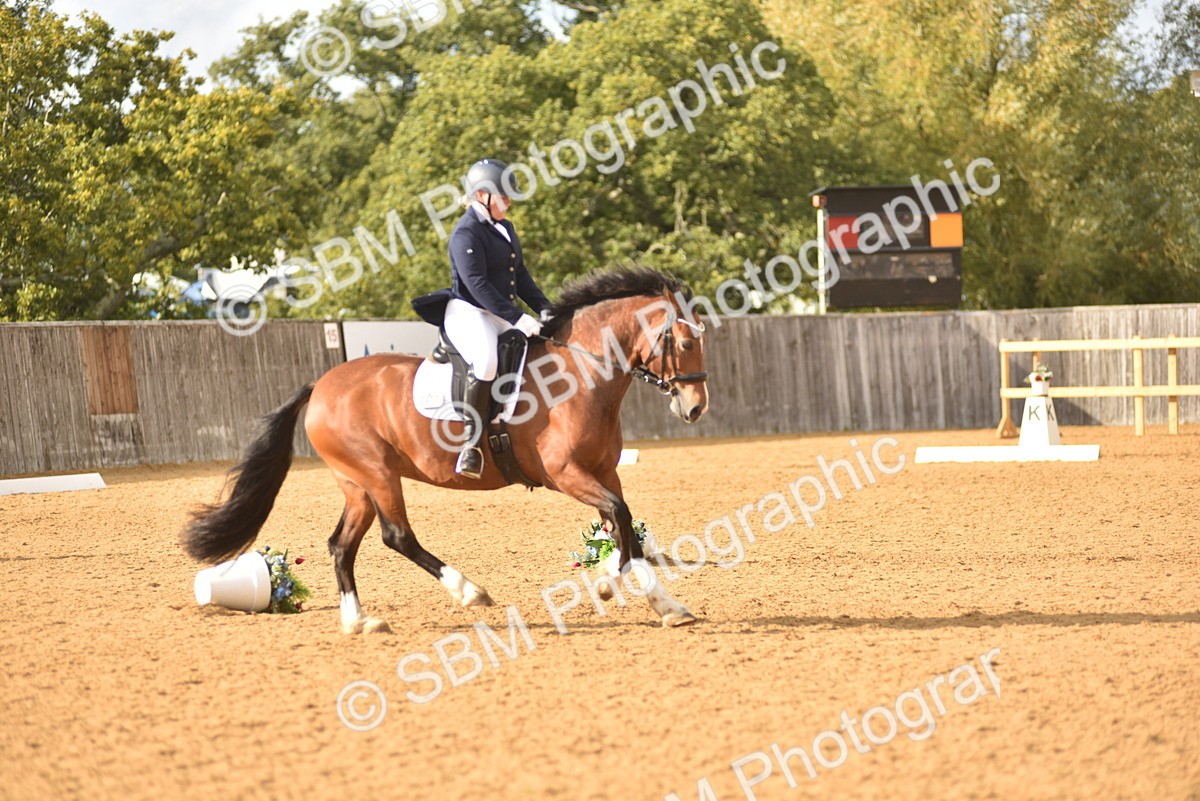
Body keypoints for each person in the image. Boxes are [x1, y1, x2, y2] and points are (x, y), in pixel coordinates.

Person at [444, 158, 552, 478]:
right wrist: (518, 317)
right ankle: (471, 444)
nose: (509, 201)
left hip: (499, 311)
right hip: (468, 311)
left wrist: (545, 308)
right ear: (482, 196)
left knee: (540, 347)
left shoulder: (505, 228)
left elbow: (521, 275)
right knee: (488, 361)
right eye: (503, 196)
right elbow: (476, 285)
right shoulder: (466, 232)